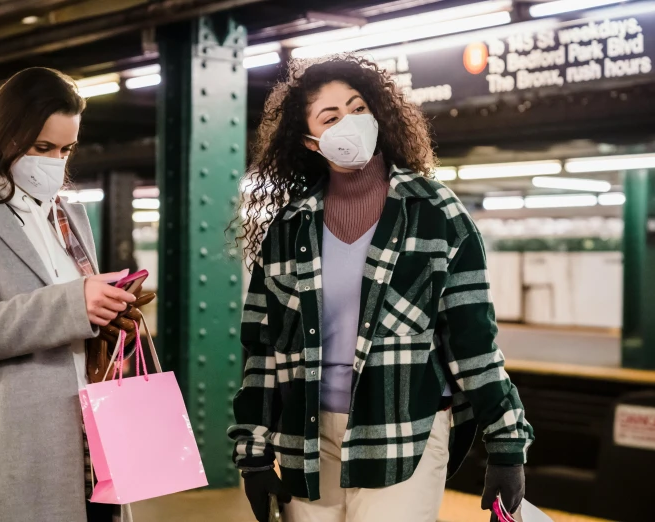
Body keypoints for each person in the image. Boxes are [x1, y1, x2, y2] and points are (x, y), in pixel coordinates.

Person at [228, 56, 534, 522]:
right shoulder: (289, 228)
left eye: (357, 108)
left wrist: (507, 444)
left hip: (403, 432)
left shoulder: (436, 212)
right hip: (306, 442)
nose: (350, 122)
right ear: (311, 141)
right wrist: (252, 452)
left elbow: (473, 340)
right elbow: (262, 349)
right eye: (331, 118)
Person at [0, 67, 136, 522]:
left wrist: (106, 314)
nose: (56, 160)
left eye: (66, 149)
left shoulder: (67, 218)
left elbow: (71, 319)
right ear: (5, 136)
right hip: (12, 444)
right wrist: (74, 303)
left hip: (88, 434)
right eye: (42, 147)